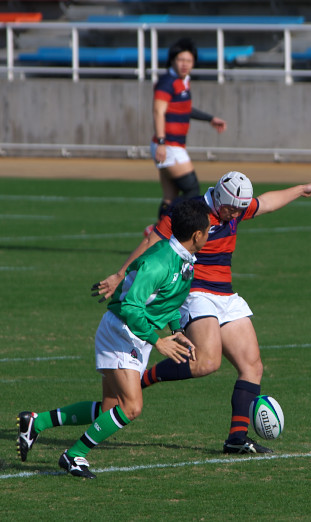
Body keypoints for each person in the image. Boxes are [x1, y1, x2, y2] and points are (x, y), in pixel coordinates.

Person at [92, 172, 311, 454]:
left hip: (225, 295)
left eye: (240, 210)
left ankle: (236, 440)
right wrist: (120, 275)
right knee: (206, 362)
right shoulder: (191, 214)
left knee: (252, 365)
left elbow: (265, 203)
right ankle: (141, 379)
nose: (235, 215)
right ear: (218, 196)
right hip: (195, 292)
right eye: (231, 209)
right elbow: (150, 243)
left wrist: (301, 189)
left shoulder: (235, 208)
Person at [16, 199, 211, 478]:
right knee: (131, 407)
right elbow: (131, 307)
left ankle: (37, 422)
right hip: (122, 332)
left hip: (135, 334)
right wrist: (158, 342)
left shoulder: (182, 259)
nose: (210, 233)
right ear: (197, 235)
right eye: (208, 229)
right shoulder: (160, 263)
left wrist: (176, 331)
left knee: (108, 409)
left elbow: (166, 302)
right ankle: (74, 455)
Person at [152, 37, 227, 220]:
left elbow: (184, 108)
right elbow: (158, 111)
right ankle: (168, 228)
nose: (185, 64)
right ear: (172, 60)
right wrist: (161, 142)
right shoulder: (167, 82)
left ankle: (157, 232)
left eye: (189, 60)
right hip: (169, 146)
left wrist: (209, 118)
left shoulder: (183, 81)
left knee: (170, 196)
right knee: (192, 190)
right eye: (181, 59)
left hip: (172, 146)